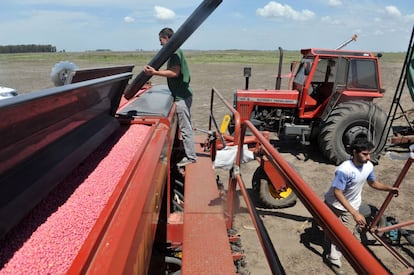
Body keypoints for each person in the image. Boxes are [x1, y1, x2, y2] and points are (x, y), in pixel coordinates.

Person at [324, 137, 399, 272]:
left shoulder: (368, 166)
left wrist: (389, 188)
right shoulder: (344, 170)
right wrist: (355, 213)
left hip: (351, 204)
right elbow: (337, 193)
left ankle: (333, 250)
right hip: (334, 203)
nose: (368, 157)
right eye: (365, 154)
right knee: (340, 231)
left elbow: (373, 183)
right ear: (354, 152)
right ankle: (333, 257)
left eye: (369, 153)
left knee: (341, 230)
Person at [144, 27, 197, 167]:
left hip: (182, 96)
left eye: (161, 41)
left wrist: (155, 72)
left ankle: (191, 157)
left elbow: (174, 73)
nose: (160, 44)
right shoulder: (176, 52)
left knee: (186, 127)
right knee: (185, 126)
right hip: (182, 94)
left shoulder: (174, 54)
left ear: (166, 38)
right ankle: (188, 152)